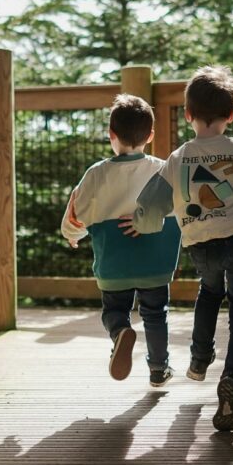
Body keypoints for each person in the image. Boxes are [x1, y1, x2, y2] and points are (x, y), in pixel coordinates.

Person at [122, 66, 233, 432]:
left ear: (188, 115)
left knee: (209, 293)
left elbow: (152, 205)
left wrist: (143, 225)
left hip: (201, 243)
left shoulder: (178, 157)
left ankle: (199, 359)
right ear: (231, 115)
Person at [60, 94, 181, 387]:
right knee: (155, 314)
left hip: (114, 263)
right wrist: (146, 221)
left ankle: (120, 332)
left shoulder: (96, 174)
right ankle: (158, 368)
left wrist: (72, 235)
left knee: (114, 310)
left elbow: (78, 212)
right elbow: (181, 208)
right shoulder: (163, 169)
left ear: (111, 134)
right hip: (155, 262)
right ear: (150, 136)